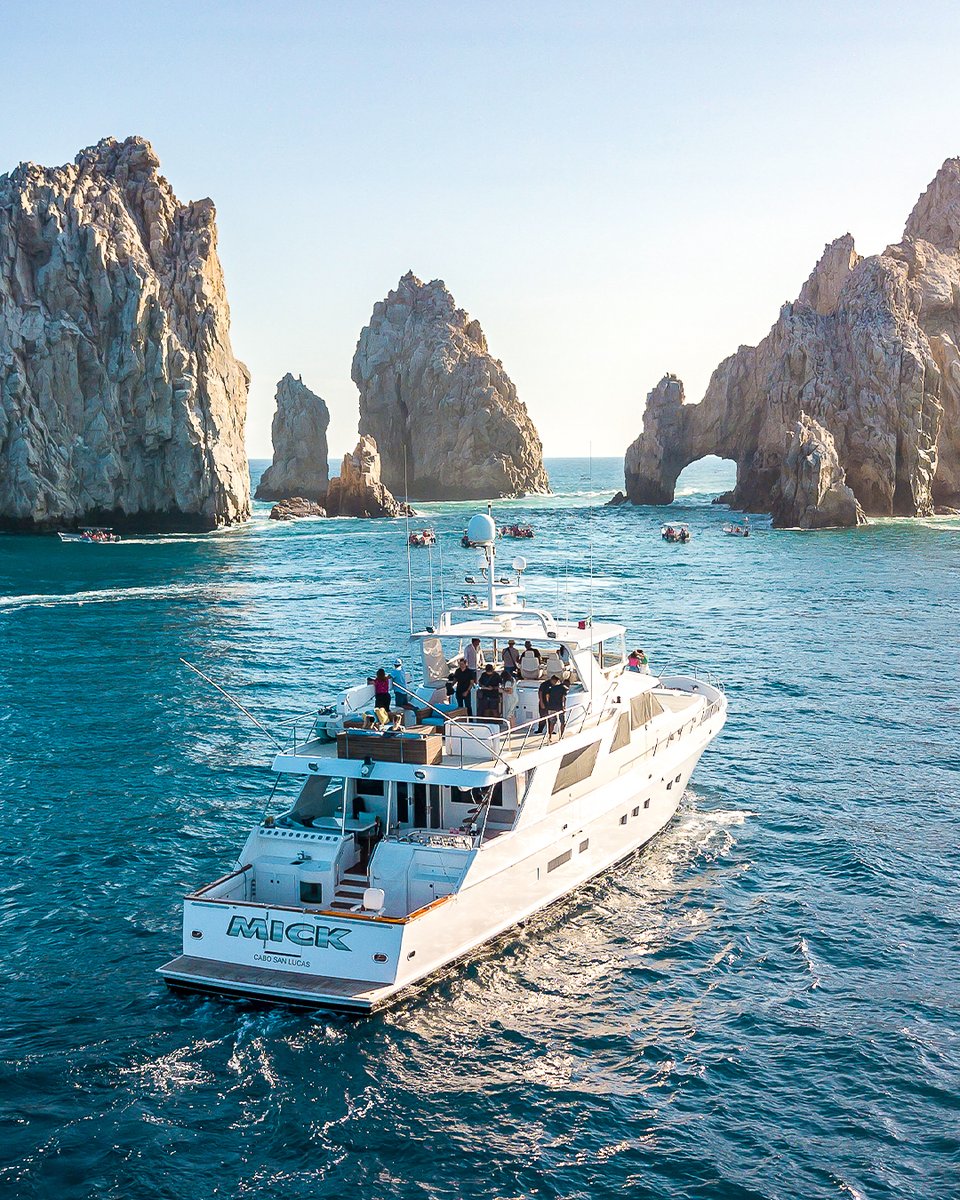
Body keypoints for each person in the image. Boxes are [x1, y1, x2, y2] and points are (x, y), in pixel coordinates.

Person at [544, 674, 568, 740]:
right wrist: (563, 707)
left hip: (551, 707)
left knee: (552, 723)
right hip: (559, 708)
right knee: (563, 722)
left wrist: (548, 703)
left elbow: (547, 696)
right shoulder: (563, 688)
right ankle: (561, 736)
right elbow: (563, 698)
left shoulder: (551, 688)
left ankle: (550, 737)